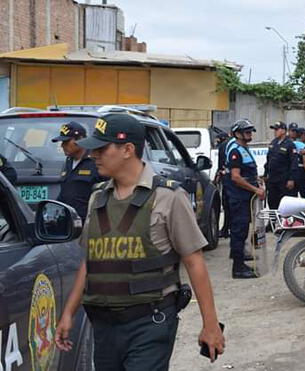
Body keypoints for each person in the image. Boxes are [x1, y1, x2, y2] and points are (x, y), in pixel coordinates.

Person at [53, 113, 225, 369]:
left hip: (150, 322)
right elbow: (90, 263)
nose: (93, 155)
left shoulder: (168, 197)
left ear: (127, 149)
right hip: (103, 326)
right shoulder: (97, 198)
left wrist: (210, 325)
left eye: (101, 148)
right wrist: (68, 313)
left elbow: (194, 261)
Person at [225, 119, 265, 279]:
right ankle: (238, 268)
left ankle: (241, 263)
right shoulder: (235, 150)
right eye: (246, 131)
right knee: (239, 231)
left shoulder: (244, 149)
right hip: (239, 198)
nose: (250, 134)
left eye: (250, 131)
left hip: (245, 199)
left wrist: (258, 181)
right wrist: (255, 189)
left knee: (242, 231)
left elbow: (248, 173)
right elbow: (236, 177)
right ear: (237, 133)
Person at [52, 121, 105, 221]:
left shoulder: (95, 161)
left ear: (80, 139)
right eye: (62, 142)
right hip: (69, 223)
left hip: (90, 221)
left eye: (66, 142)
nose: (62, 146)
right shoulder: (68, 162)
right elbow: (65, 193)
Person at [264, 121, 297, 209]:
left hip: (284, 179)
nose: (275, 131)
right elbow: (268, 160)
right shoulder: (273, 143)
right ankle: (273, 221)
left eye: (276, 129)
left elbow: (294, 163)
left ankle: (284, 221)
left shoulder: (290, 144)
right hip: (272, 179)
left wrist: (291, 179)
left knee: (284, 203)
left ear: (283, 131)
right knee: (272, 200)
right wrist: (265, 174)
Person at [292, 127, 305, 197]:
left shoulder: (291, 144)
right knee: (304, 195)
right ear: (302, 135)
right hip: (302, 172)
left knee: (293, 196)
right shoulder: (304, 146)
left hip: (292, 173)